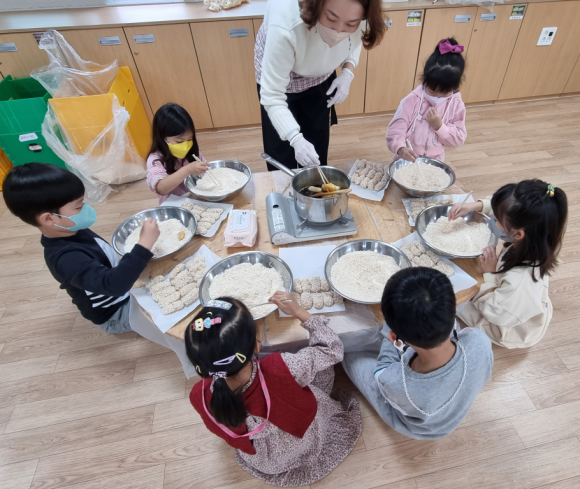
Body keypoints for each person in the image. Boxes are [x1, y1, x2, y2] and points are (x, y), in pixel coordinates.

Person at [186, 294, 361, 486]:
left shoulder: (197, 395)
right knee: (321, 368)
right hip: (301, 444)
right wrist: (299, 312)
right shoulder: (283, 368)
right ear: (256, 346)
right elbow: (331, 350)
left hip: (263, 460)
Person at [2, 163, 159, 334]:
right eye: (79, 207)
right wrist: (144, 244)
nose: (86, 209)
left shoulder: (69, 228)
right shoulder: (66, 258)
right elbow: (114, 285)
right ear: (48, 218)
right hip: (116, 313)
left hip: (123, 288)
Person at [342, 267, 493, 439]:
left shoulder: (395, 383)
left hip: (415, 423)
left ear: (393, 336)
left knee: (349, 352)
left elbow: (382, 372)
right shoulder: (480, 340)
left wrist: (389, 337)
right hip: (449, 410)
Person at [256, 0, 386, 170]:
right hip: (281, 74)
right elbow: (272, 95)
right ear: (316, 6)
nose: (338, 31)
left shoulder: (364, 17)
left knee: (316, 141)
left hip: (320, 75)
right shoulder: (286, 23)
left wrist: (348, 71)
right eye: (331, 18)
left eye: (351, 24)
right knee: (282, 151)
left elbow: (354, 41)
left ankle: (316, 184)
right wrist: (295, 138)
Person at [450, 180, 568, 349]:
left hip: (508, 325)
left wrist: (490, 274)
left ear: (518, 234)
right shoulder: (540, 238)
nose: (493, 220)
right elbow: (502, 207)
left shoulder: (520, 280)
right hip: (515, 299)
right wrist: (474, 206)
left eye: (496, 220)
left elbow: (496, 313)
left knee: (452, 300)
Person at [386, 37, 466, 162]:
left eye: (444, 92)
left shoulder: (456, 105)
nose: (437, 96)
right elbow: (395, 130)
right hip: (407, 158)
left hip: (435, 160)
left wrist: (440, 126)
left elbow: (458, 140)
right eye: (432, 90)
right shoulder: (411, 100)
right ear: (424, 78)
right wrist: (400, 148)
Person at [146, 103, 210, 204]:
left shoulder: (193, 153)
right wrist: (187, 170)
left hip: (196, 199)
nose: (185, 145)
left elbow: (206, 175)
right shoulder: (155, 159)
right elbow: (161, 188)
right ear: (162, 138)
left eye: (189, 139)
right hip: (173, 205)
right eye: (179, 141)